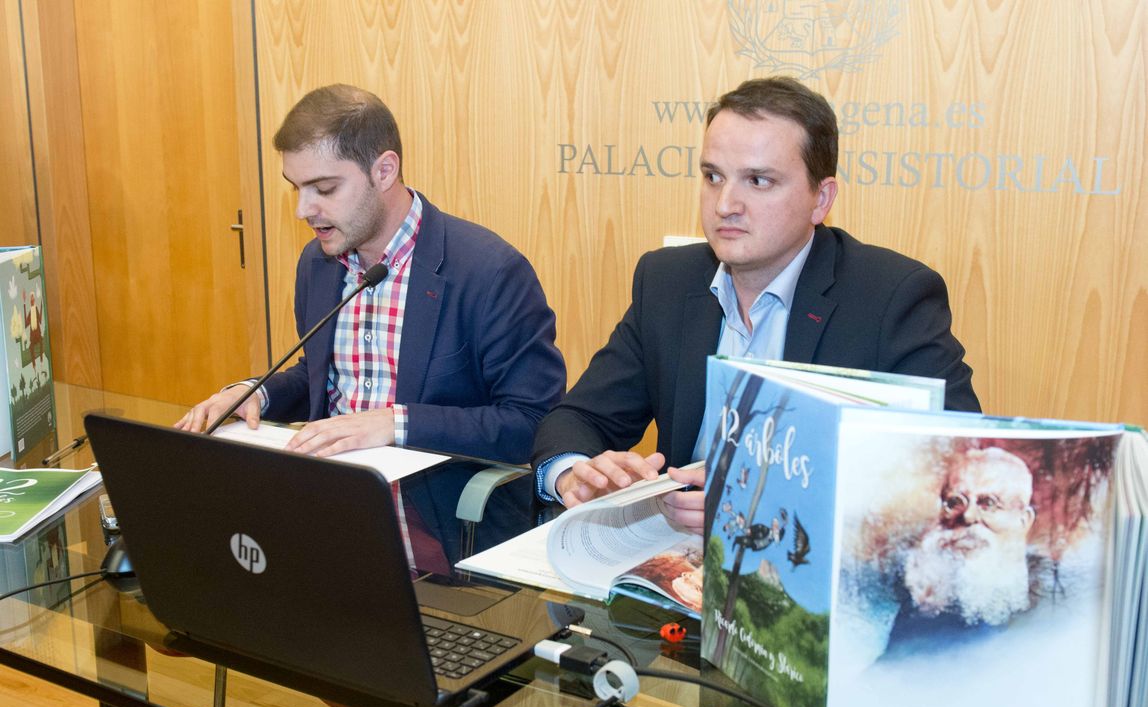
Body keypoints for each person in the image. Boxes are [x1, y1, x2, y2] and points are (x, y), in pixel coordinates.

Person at [532, 77, 980, 527]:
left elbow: (953, 471)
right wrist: (575, 474)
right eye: (713, 177)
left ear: (821, 199)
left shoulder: (890, 298)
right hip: (674, 549)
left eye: (758, 181)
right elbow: (578, 419)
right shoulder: (667, 281)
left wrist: (768, 506)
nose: (725, 204)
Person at [177, 84, 564, 465]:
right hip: (332, 487)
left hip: (437, 500)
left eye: (324, 189)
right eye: (295, 189)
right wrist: (255, 394)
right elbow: (321, 375)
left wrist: (397, 423)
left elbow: (531, 421)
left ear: (384, 171)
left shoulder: (490, 271)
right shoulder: (317, 263)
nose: (302, 210)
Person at [886, 446, 1035, 651]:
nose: (968, 516)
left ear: (1023, 521)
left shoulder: (1051, 605)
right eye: (955, 502)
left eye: (988, 503)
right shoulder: (920, 602)